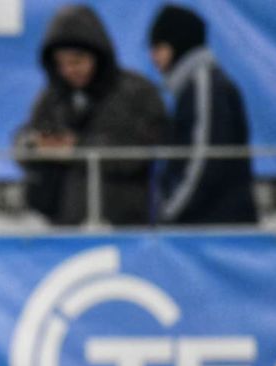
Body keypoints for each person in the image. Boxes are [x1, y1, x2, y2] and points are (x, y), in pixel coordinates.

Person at [16, 4, 168, 226]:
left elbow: (144, 149)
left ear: (98, 55)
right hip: (62, 229)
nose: (69, 70)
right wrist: (37, 145)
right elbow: (23, 141)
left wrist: (77, 149)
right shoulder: (53, 97)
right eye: (61, 63)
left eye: (77, 61)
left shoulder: (137, 92)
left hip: (124, 228)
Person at [148, 4, 258, 225]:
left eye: (158, 47)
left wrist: (169, 212)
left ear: (177, 45)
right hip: (206, 224)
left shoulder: (204, 84)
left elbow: (203, 158)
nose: (153, 57)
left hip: (214, 226)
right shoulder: (192, 86)